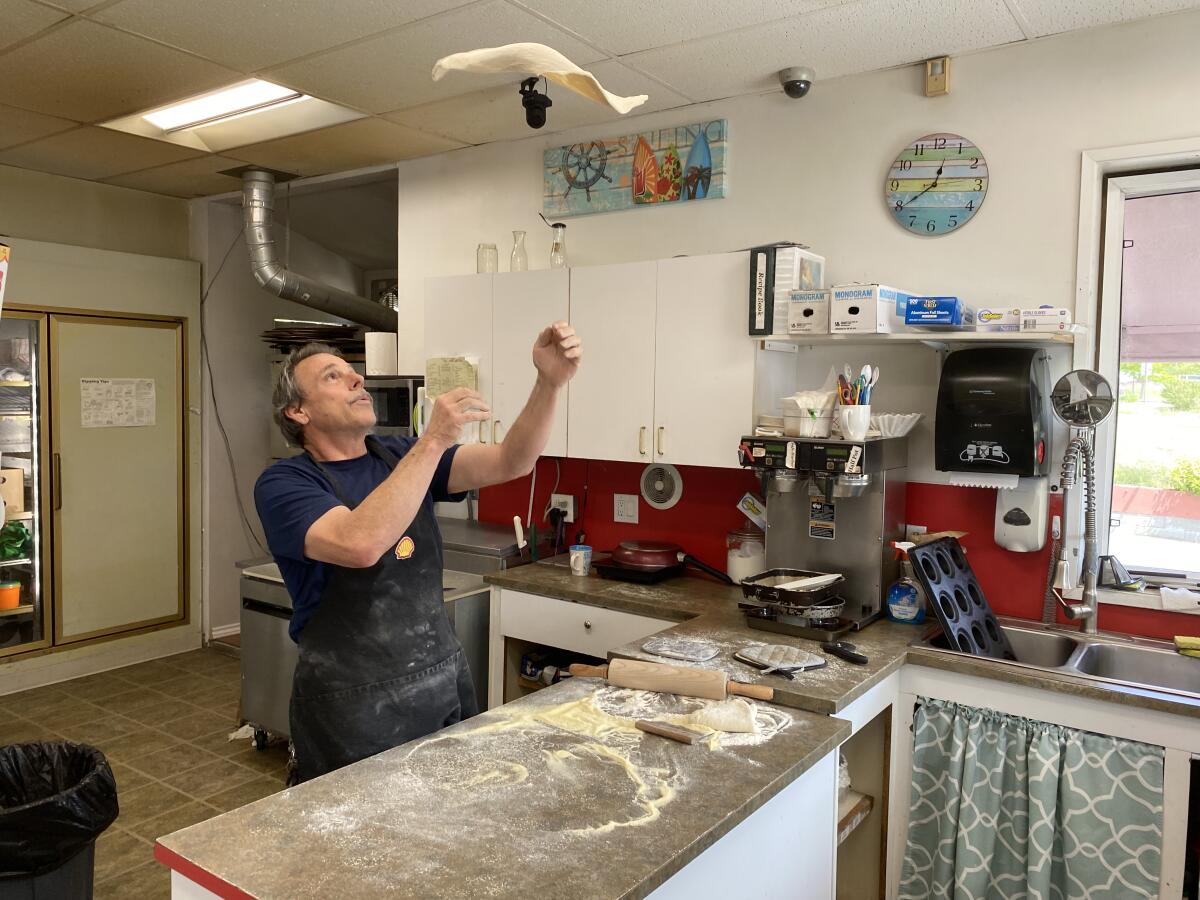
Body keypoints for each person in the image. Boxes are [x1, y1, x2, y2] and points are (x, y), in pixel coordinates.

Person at [254, 322, 581, 782]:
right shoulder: (286, 484)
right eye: (333, 376)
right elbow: (360, 543)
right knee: (365, 837)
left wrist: (549, 383)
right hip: (353, 699)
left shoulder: (397, 455)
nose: (357, 379)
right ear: (297, 412)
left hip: (441, 677)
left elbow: (512, 460)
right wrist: (433, 440)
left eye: (354, 371)